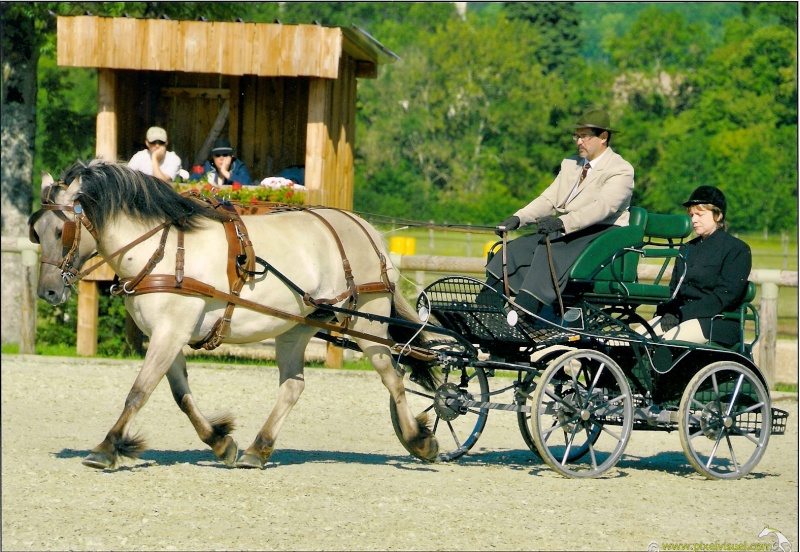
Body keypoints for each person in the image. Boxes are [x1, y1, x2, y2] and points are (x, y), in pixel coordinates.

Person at [483, 108, 635, 319]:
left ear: (603, 137)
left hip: (602, 232)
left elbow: (602, 207)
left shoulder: (620, 169)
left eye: (585, 136)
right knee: (515, 249)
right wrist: (519, 218)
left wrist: (562, 223)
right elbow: (549, 199)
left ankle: (523, 314)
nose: (579, 142)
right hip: (567, 229)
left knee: (550, 251)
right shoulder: (570, 164)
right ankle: (486, 309)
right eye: (577, 136)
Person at [640, 186, 752, 346]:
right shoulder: (686, 249)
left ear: (718, 215)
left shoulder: (737, 250)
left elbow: (723, 298)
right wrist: (668, 311)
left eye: (699, 214)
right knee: (633, 339)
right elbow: (674, 291)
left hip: (718, 320)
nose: (693, 220)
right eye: (691, 215)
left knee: (662, 345)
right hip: (682, 316)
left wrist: (681, 314)